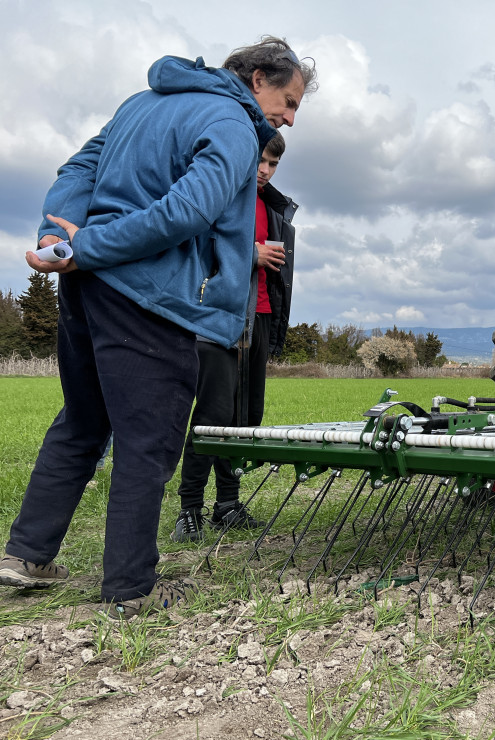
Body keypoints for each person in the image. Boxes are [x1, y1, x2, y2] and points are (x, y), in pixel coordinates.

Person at [0, 38, 316, 618]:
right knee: (149, 439)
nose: (290, 118)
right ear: (257, 80)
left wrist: (56, 233)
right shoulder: (232, 123)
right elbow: (188, 211)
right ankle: (131, 588)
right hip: (148, 295)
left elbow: (80, 168)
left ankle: (27, 554)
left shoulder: (142, 103)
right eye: (289, 101)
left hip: (85, 287)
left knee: (83, 420)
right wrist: (88, 247)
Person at [171, 131, 298, 542]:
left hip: (259, 316)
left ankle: (227, 504)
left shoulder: (272, 205)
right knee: (213, 415)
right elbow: (192, 247)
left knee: (245, 417)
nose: (266, 170)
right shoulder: (219, 195)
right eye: (261, 160)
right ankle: (189, 509)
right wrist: (250, 254)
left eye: (273, 163)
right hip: (217, 318)